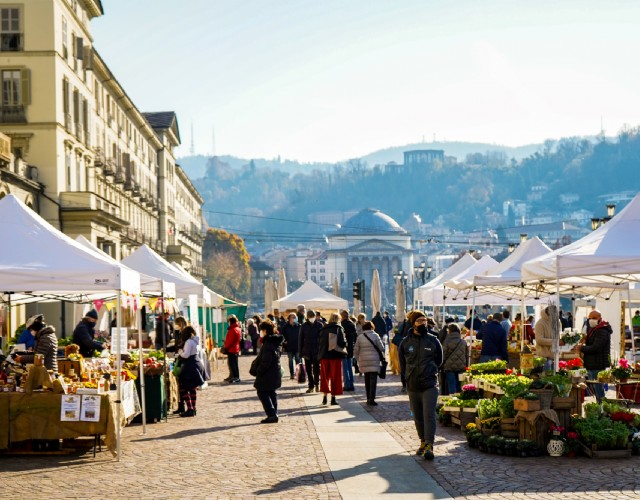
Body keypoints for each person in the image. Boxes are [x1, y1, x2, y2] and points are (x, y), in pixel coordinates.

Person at [399, 310, 443, 460]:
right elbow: (402, 364)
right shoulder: (405, 342)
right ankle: (423, 441)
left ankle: (430, 445)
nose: (423, 323)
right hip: (413, 384)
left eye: (424, 320)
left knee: (429, 414)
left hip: (429, 384)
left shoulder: (433, 340)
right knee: (418, 416)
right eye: (419, 321)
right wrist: (405, 379)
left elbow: (439, 360)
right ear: (413, 323)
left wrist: (431, 371)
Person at [576, 309, 612, 402]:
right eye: (590, 318)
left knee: (599, 390)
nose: (591, 320)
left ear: (600, 318)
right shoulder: (594, 329)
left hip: (597, 364)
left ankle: (602, 410)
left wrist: (582, 348)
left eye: (594, 318)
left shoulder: (602, 330)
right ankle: (600, 408)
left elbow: (596, 347)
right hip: (593, 363)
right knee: (596, 390)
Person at [252, 319, 283, 423]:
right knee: (271, 392)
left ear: (264, 331)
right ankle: (274, 414)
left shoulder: (268, 343)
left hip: (268, 373)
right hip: (274, 372)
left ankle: (272, 414)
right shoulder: (274, 341)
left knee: (262, 392)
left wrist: (259, 371)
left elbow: (266, 361)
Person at [317, 312, 347, 405]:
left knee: (325, 377)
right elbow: (342, 342)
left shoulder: (323, 328)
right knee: (335, 378)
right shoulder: (338, 328)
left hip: (324, 356)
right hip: (335, 356)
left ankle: (325, 397)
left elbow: (319, 342)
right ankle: (333, 398)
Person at [354, 320, 385, 406]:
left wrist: (356, 359)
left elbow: (356, 350)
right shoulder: (375, 335)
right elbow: (382, 348)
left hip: (363, 360)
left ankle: (368, 398)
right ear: (372, 327)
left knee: (366, 380)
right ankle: (372, 399)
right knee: (373, 381)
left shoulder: (360, 337)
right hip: (374, 360)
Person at [176, 326, 206, 417]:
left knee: (183, 388)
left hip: (190, 366)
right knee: (192, 388)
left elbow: (186, 355)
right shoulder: (194, 341)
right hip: (195, 364)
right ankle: (193, 408)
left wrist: (180, 352)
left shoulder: (189, 342)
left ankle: (190, 408)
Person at [299, 310, 322, 393]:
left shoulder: (319, 325)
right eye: (310, 317)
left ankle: (317, 385)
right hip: (307, 350)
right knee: (308, 370)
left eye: (313, 317)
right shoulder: (304, 326)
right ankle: (311, 385)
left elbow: (322, 339)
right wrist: (300, 352)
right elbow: (300, 339)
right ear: (307, 317)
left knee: (316, 369)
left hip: (316, 350)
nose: (312, 318)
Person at [442, 323, 466, 394]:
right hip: (461, 366)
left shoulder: (446, 341)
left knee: (451, 384)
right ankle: (459, 400)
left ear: (449, 331)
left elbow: (444, 354)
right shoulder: (463, 342)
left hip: (449, 366)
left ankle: (452, 399)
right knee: (459, 384)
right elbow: (466, 355)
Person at [172, 316, 189, 415]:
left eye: (176, 324)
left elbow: (181, 346)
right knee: (180, 385)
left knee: (182, 385)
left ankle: (184, 406)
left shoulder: (184, 334)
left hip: (182, 360)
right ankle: (181, 405)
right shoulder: (180, 333)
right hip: (179, 358)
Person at [340, 310, 356, 392]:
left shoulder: (342, 325)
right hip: (351, 347)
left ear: (342, 316)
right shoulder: (352, 324)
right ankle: (352, 384)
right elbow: (355, 336)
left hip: (344, 348)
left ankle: (346, 384)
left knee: (345, 367)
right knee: (350, 367)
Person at [281, 313, 300, 379]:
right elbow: (282, 336)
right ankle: (292, 374)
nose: (294, 318)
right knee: (290, 360)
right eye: (293, 317)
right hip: (289, 346)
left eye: (295, 317)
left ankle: (298, 374)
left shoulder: (299, 326)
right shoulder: (285, 327)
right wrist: (284, 342)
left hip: (297, 346)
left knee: (298, 360)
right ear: (289, 318)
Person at [223, 315, 242, 383]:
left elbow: (230, 341)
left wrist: (226, 347)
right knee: (235, 364)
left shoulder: (232, 329)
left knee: (232, 364)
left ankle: (235, 377)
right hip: (235, 348)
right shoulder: (237, 328)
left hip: (232, 349)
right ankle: (236, 376)